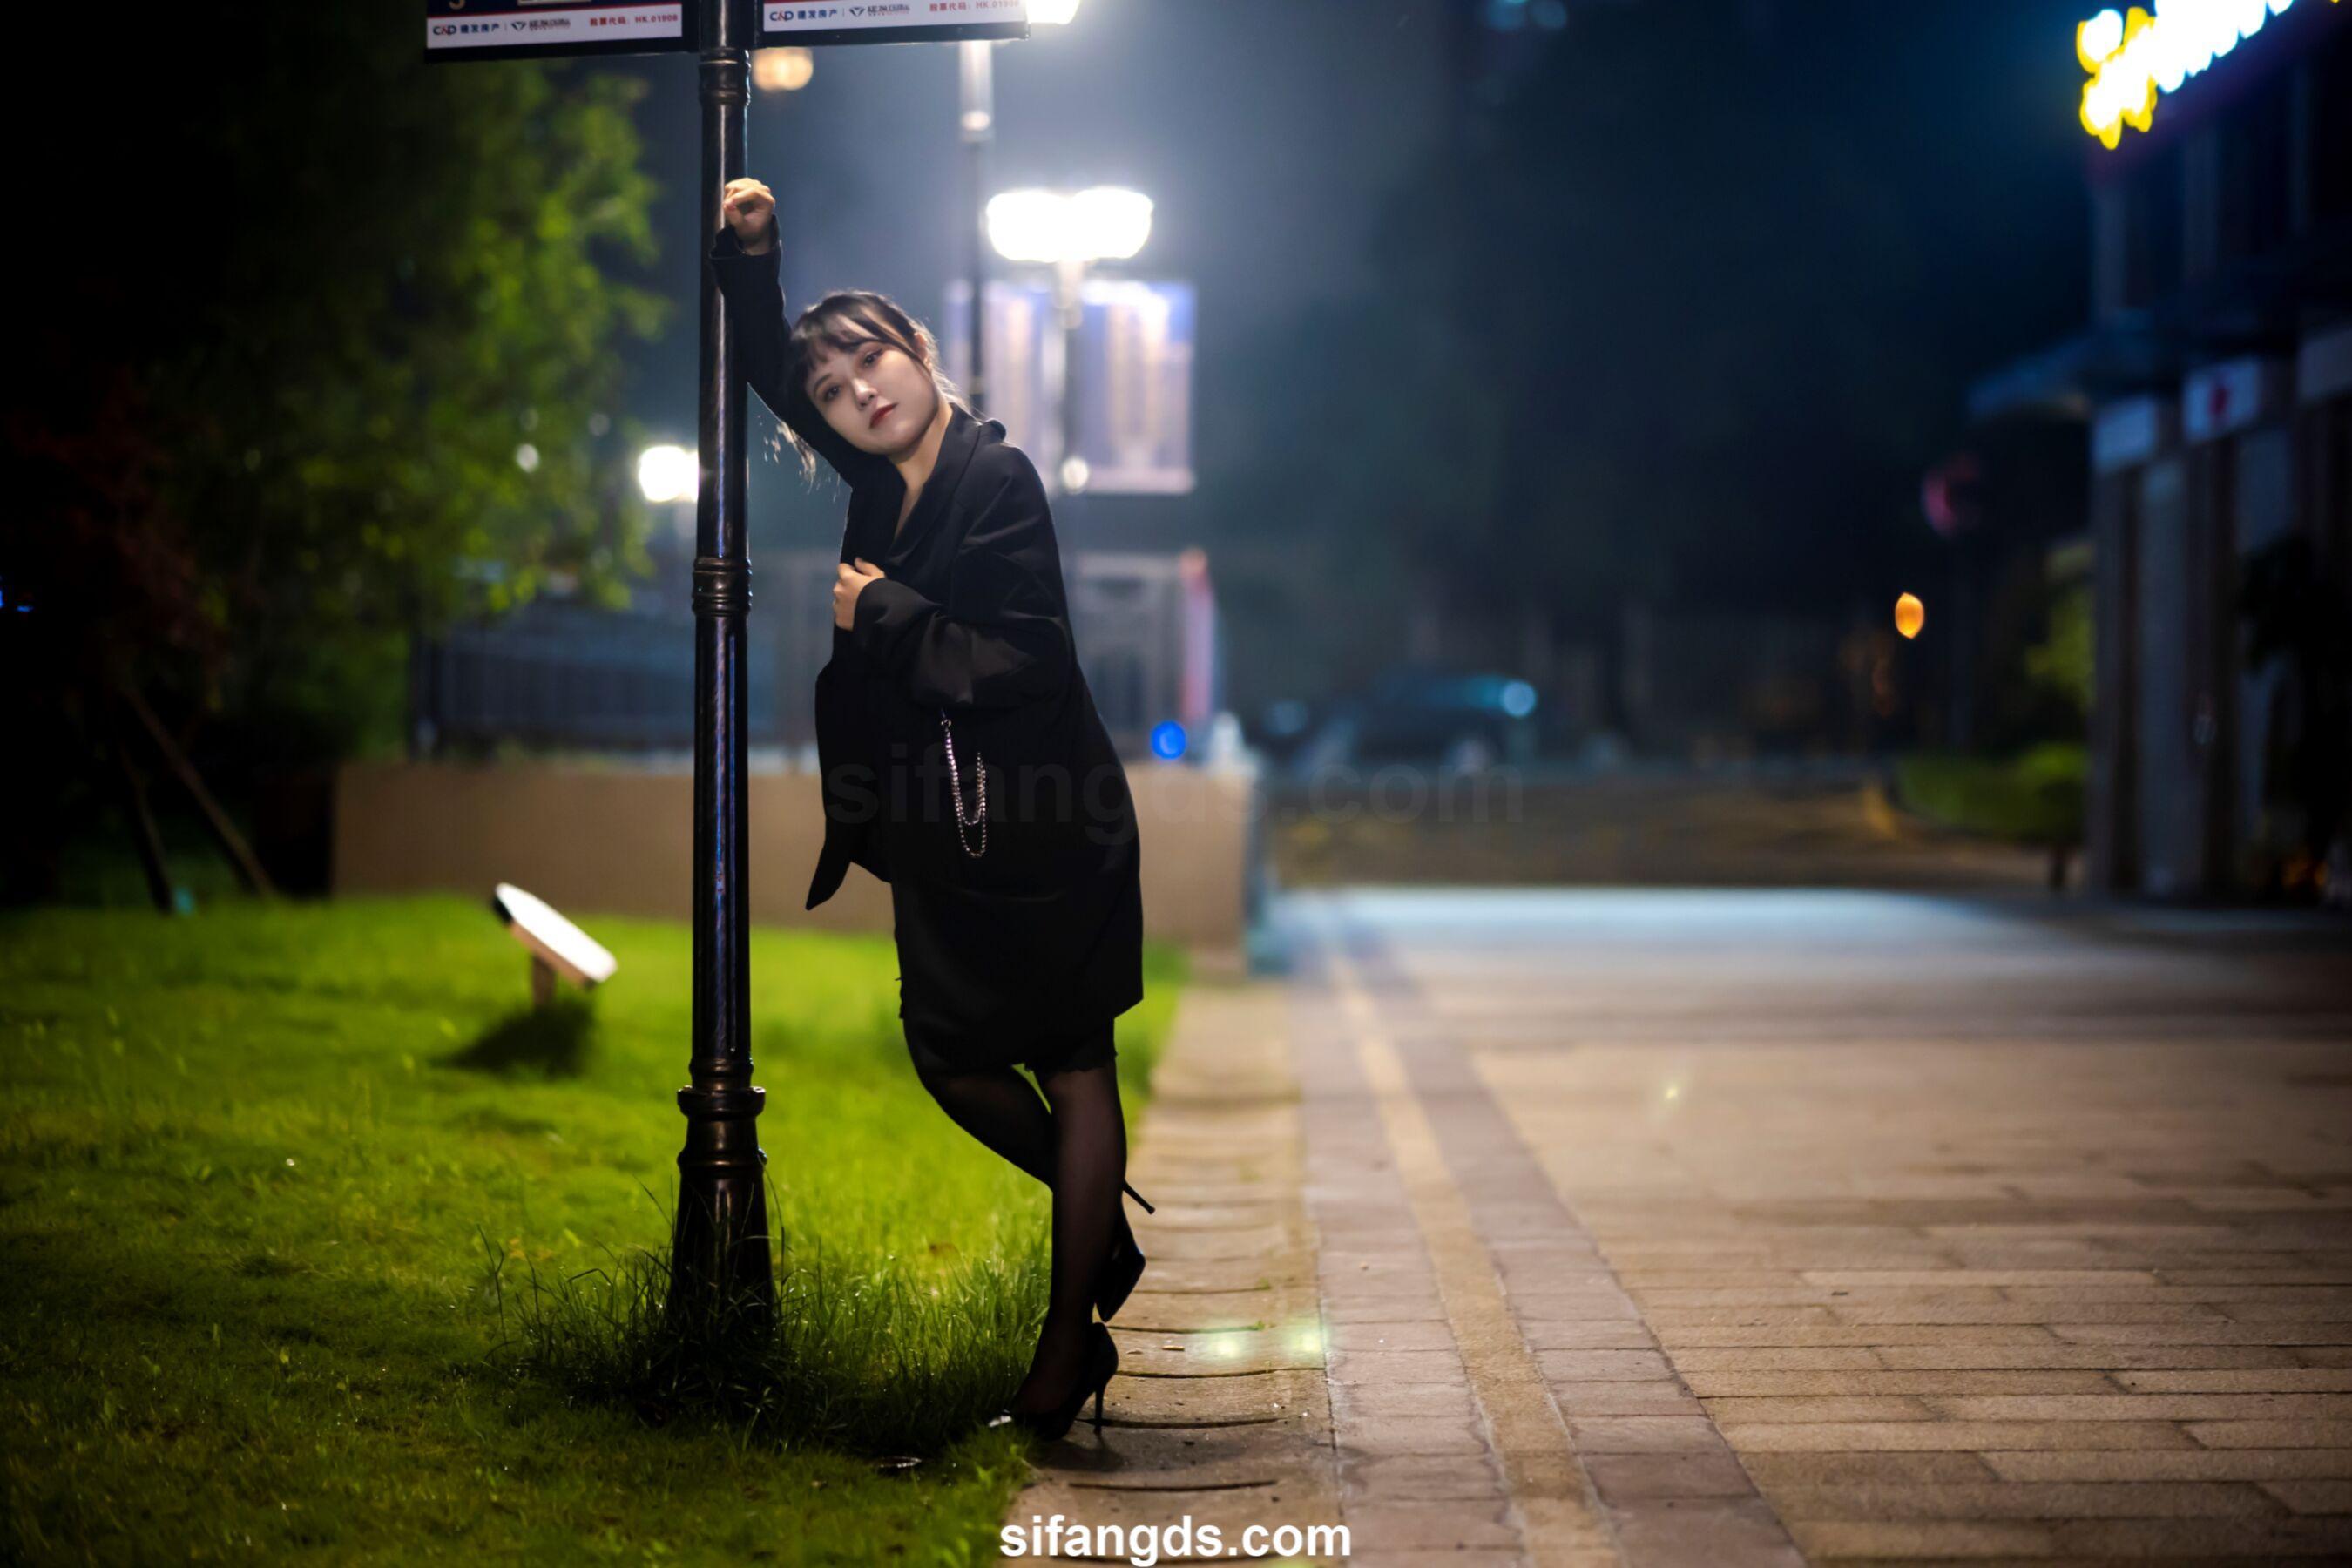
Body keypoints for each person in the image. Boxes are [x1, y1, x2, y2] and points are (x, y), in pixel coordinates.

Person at [709, 176, 1150, 1440]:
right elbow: (768, 372)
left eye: (873, 361)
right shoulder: (878, 479)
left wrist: (885, 615)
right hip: (952, 840)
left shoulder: (993, 476)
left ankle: (1065, 1354)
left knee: (1073, 1063)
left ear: (916, 347)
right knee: (948, 1056)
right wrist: (756, 258)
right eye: (836, 391)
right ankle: (1100, 1230)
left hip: (1048, 828)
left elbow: (1031, 660)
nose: (859, 394)